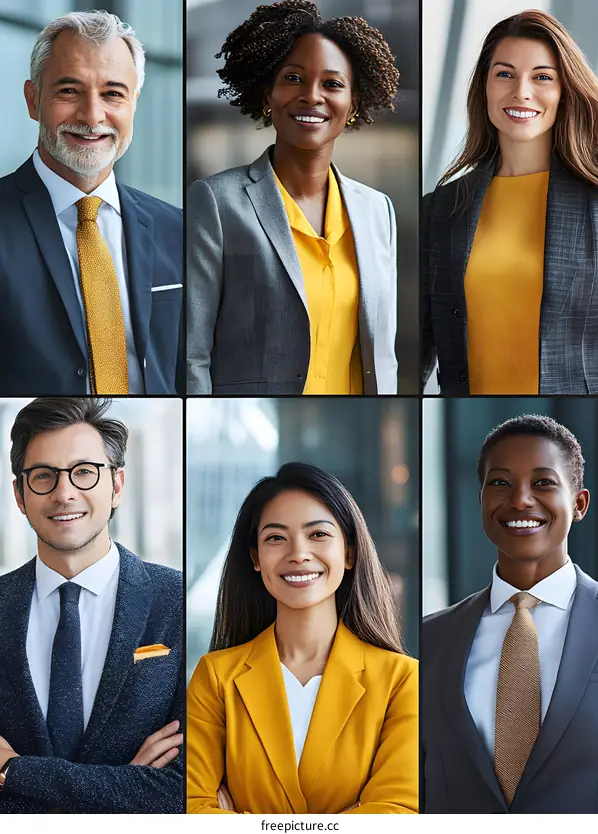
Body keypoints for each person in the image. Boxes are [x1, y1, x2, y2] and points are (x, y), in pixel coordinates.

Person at [187, 0, 400, 396]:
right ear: (267, 94)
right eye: (293, 78)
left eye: (332, 84)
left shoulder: (378, 211)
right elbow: (192, 354)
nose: (312, 96)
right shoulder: (216, 203)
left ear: (352, 105)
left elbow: (382, 352)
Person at [187, 462, 418, 814]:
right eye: (276, 538)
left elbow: (396, 811)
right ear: (255, 558)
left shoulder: (402, 680)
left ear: (350, 551)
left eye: (318, 535)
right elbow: (191, 808)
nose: (298, 553)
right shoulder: (217, 678)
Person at [0, 398, 183, 813]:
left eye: (84, 473)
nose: (65, 493)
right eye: (44, 476)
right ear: (19, 494)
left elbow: (178, 790)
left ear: (116, 485)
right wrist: (124, 787)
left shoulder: (176, 599)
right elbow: (145, 795)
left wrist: (13, 772)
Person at [422, 414, 598, 813]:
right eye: (500, 482)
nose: (520, 499)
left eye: (543, 483)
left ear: (579, 503)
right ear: (481, 498)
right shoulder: (429, 639)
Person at [0, 11, 184, 396]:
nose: (92, 116)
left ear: (134, 103)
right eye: (69, 91)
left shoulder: (180, 230)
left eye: (113, 93)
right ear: (33, 100)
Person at [422, 10, 598, 395]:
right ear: (484, 86)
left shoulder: (596, 204)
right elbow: (417, 351)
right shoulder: (440, 210)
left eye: (542, 77)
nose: (521, 91)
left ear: (564, 91)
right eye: (505, 74)